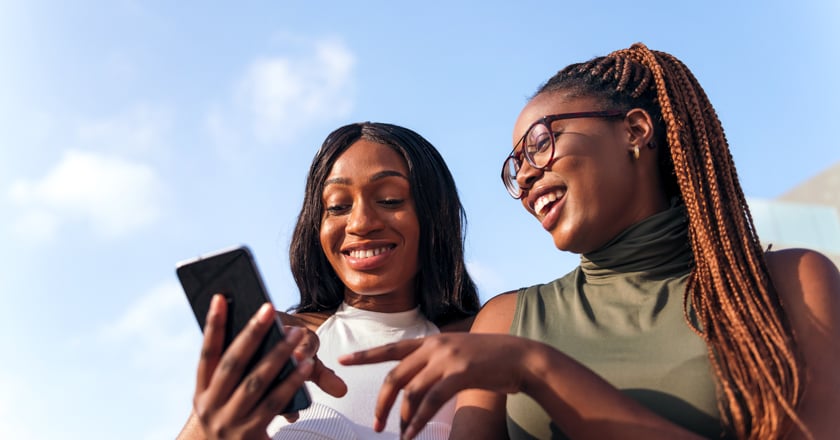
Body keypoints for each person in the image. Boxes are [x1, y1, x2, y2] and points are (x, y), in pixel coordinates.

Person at [339, 43, 840, 439]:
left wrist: (538, 370)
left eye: (540, 144)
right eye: (516, 168)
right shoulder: (505, 320)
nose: (527, 178)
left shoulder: (790, 284)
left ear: (635, 131)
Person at [176, 122, 480, 440]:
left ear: (435, 214)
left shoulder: (485, 338)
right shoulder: (282, 346)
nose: (361, 223)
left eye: (390, 200)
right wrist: (213, 421)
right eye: (337, 206)